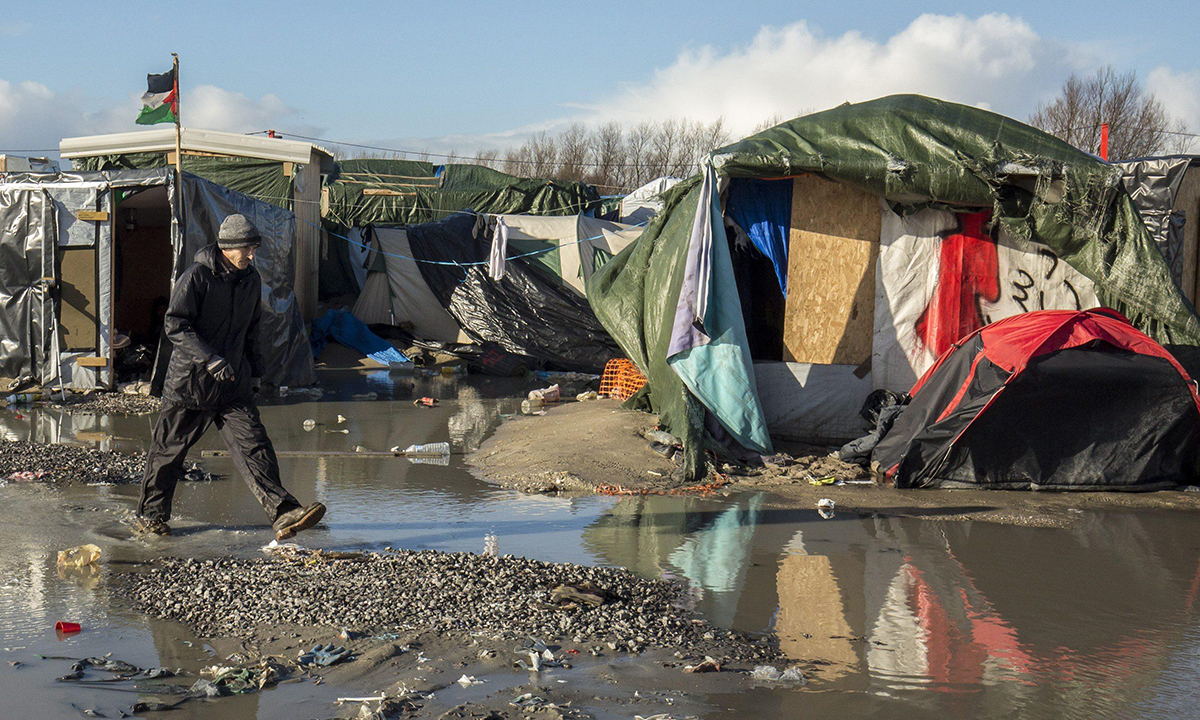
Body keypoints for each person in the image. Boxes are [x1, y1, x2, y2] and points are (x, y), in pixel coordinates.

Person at [135, 214, 325, 539]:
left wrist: (255, 373)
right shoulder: (196, 277)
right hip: (190, 386)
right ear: (227, 247)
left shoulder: (250, 280)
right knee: (168, 454)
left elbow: (252, 330)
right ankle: (150, 517)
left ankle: (283, 512)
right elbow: (175, 324)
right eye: (247, 249)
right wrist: (209, 358)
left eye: (254, 248)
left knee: (255, 446)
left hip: (233, 384)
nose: (251, 255)